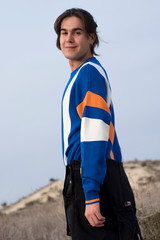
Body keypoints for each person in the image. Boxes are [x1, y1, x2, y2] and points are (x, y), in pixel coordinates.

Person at [54, 8, 143, 240]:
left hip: (96, 177)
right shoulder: (79, 76)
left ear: (91, 37)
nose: (69, 39)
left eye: (77, 32)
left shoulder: (89, 74)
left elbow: (94, 135)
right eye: (64, 33)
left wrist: (91, 194)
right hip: (83, 176)